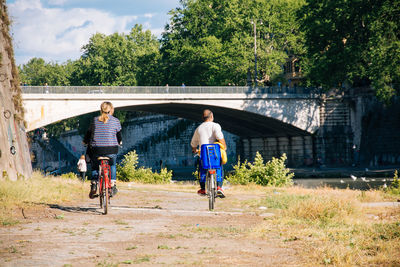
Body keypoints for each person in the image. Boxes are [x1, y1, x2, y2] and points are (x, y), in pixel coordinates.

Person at [83, 101, 122, 199]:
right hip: (111, 149)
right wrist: (120, 142)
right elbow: (119, 136)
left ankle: (94, 184)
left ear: (101, 110)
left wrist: (85, 142)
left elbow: (88, 134)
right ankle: (112, 184)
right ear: (111, 110)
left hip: (96, 150)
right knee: (112, 164)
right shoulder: (116, 121)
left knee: (95, 166)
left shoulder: (95, 120)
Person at [191, 109, 227, 197]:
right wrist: (224, 147)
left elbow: (193, 143)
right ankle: (219, 187)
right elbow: (220, 138)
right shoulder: (215, 126)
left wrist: (194, 149)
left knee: (201, 168)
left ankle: (203, 188)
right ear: (212, 116)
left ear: (203, 118)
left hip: (203, 154)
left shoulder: (198, 128)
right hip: (214, 154)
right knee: (219, 166)